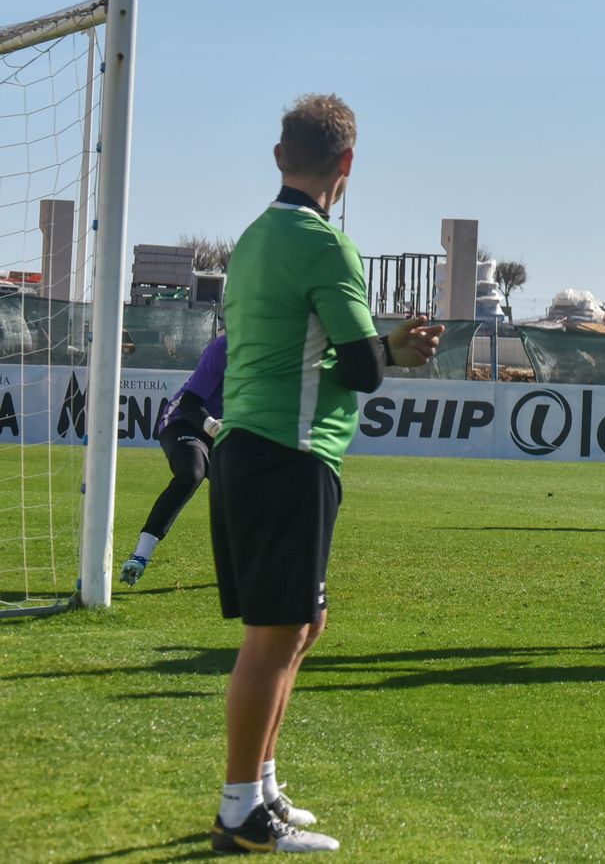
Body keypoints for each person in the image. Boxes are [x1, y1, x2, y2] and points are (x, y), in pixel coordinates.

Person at [207, 93, 442, 854]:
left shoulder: (252, 238)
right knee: (274, 635)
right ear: (347, 164)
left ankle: (262, 784)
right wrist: (389, 350)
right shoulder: (323, 243)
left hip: (254, 446)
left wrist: (382, 349)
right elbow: (362, 371)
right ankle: (240, 811)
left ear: (280, 157)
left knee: (304, 623)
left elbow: (329, 354)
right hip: (288, 454)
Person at [119, 332, 227, 587]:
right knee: (192, 473)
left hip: (227, 428)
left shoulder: (275, 349)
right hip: (185, 422)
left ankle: (247, 562)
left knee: (244, 488)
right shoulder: (224, 347)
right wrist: (212, 427)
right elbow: (189, 403)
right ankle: (140, 555)